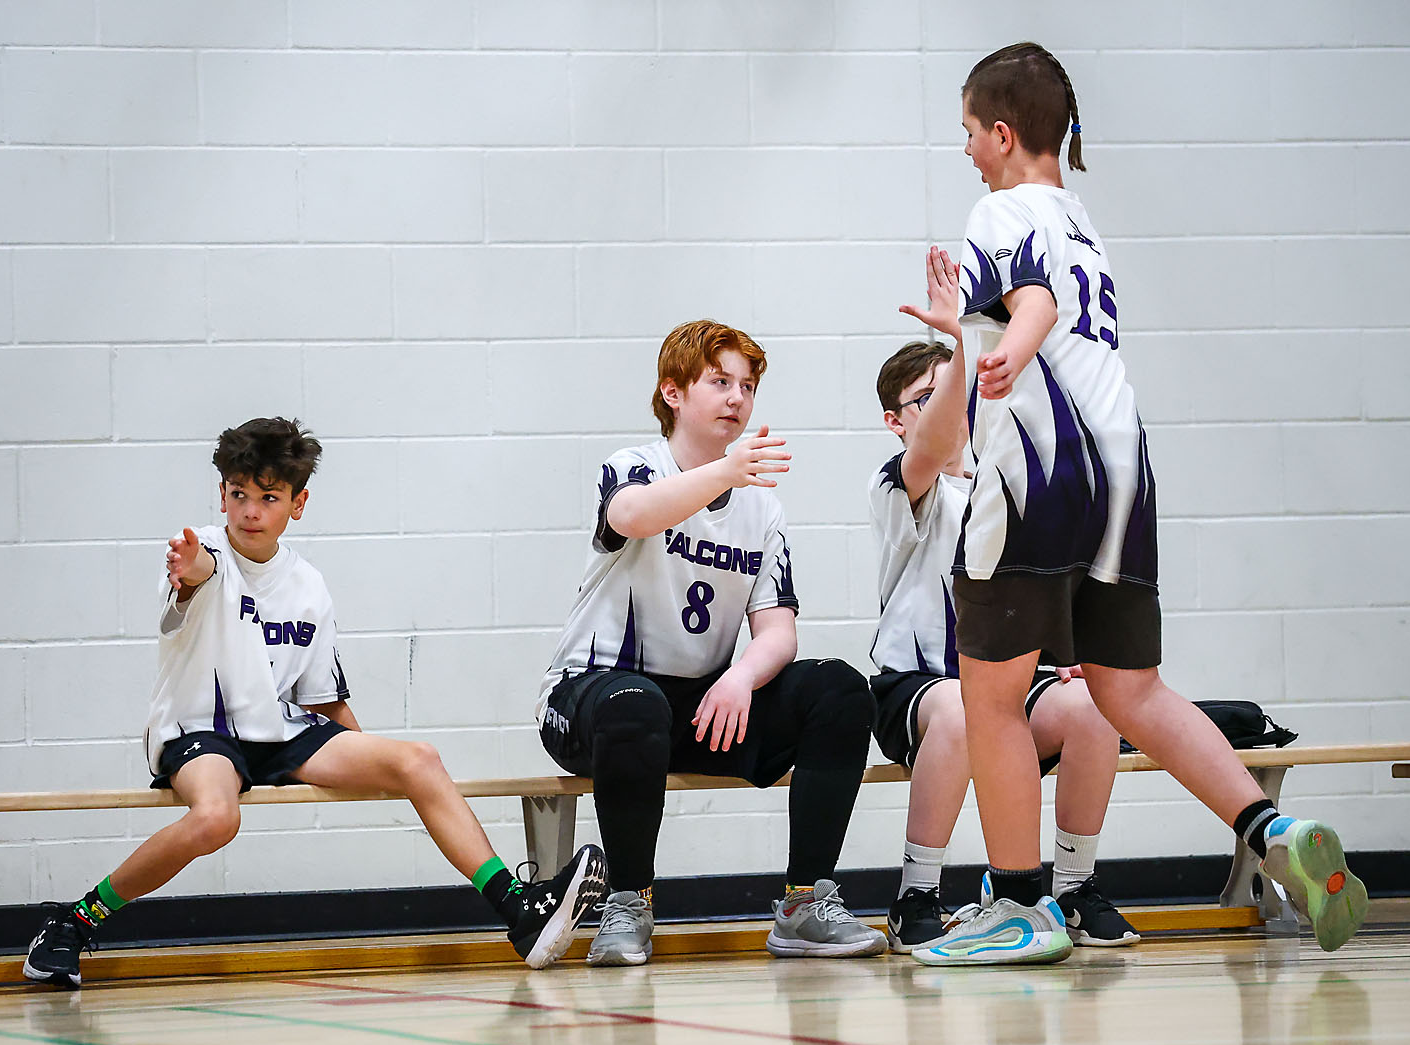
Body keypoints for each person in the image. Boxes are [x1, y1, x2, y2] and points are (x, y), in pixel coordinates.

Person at [912, 43, 1366, 965]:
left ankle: (1022, 905)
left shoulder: (999, 208)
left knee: (991, 696)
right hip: (1125, 468)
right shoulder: (1083, 221)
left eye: (967, 131)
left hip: (1039, 469)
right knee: (1131, 689)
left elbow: (1033, 301)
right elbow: (1049, 302)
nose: (964, 150)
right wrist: (984, 332)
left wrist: (1009, 351)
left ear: (1002, 133)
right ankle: (1272, 830)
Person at [24, 417, 605, 988]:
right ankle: (75, 921)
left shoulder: (308, 586)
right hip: (201, 732)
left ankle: (518, 910)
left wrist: (376, 762)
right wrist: (189, 565)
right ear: (221, 495)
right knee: (217, 817)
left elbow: (324, 702)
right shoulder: (201, 554)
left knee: (418, 759)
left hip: (279, 730)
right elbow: (200, 572)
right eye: (238, 495)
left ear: (297, 504)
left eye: (268, 497)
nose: (250, 511)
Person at [537, 320, 886, 966]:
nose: (737, 398)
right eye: (720, 381)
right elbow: (633, 515)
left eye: (747, 386)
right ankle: (628, 902)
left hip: (698, 705)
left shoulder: (761, 508)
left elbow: (778, 631)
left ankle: (804, 903)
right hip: (593, 696)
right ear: (673, 392)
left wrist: (740, 677)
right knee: (635, 702)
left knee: (838, 689)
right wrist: (725, 470)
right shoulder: (634, 466)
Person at [869, 336, 1138, 953]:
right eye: (928, 397)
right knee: (964, 708)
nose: (950, 405)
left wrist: (1068, 652)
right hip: (917, 687)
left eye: (956, 393)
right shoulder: (901, 482)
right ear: (895, 421)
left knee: (1093, 708)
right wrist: (969, 337)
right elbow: (933, 446)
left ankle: (1073, 889)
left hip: (1007, 689)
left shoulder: (1012, 482)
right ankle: (916, 894)